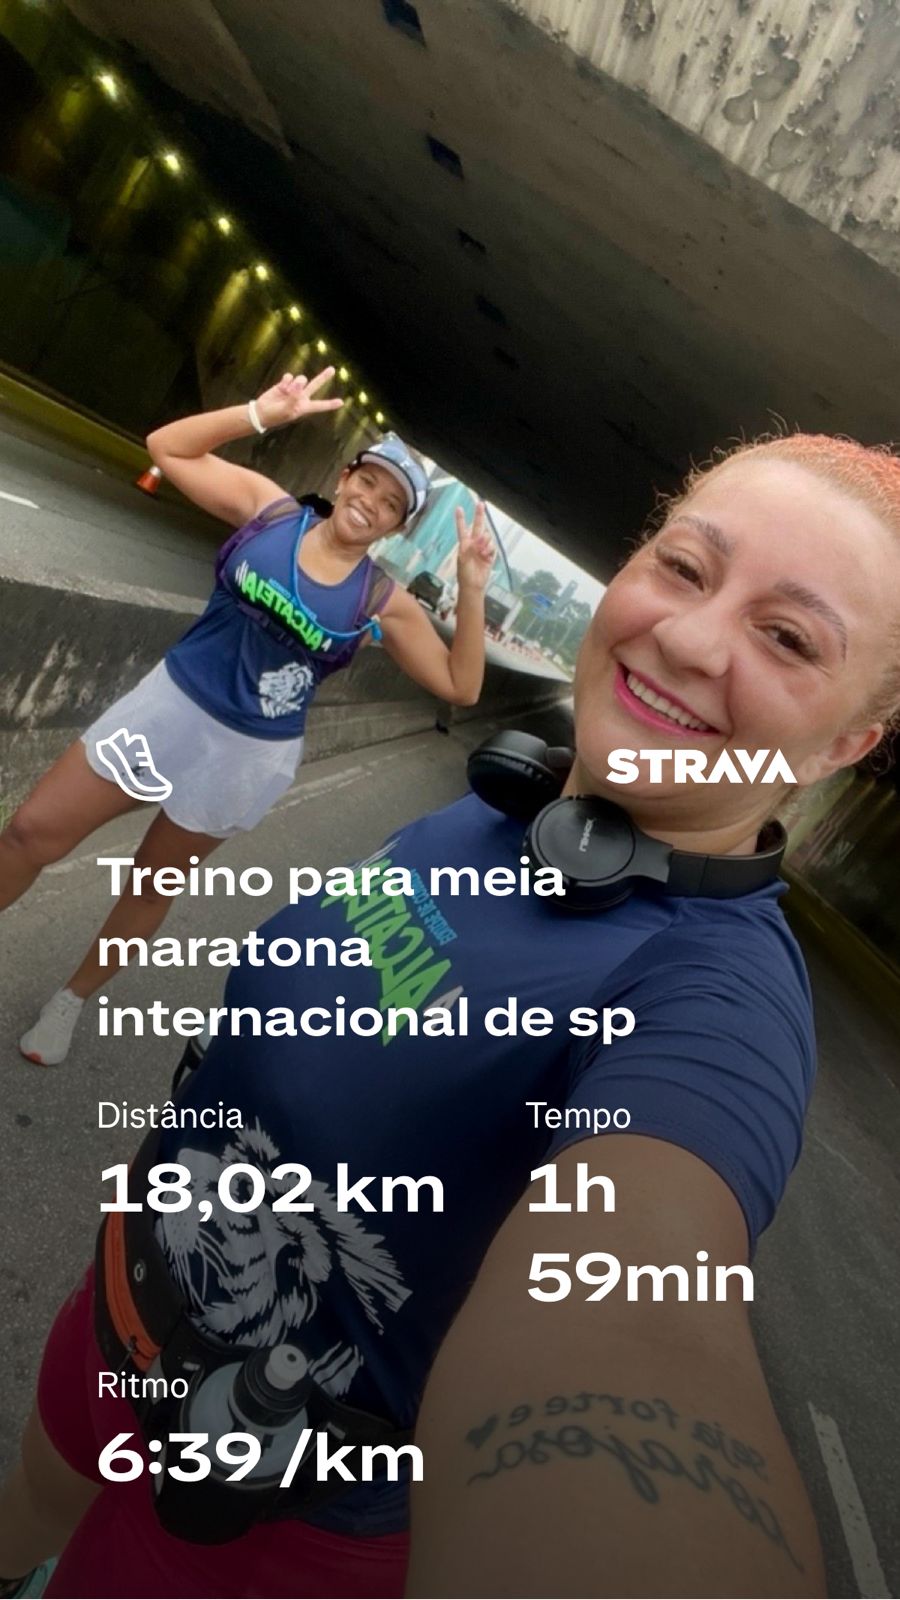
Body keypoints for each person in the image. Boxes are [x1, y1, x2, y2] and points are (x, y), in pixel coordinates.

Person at [2, 430, 897, 1600]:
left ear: (847, 743)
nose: (689, 638)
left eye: (788, 637)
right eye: (684, 567)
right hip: (115, 1314)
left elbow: (636, 1307)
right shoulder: (494, 811)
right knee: (26, 1514)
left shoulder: (713, 998)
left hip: (260, 1512)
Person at [0, 368, 496, 1066]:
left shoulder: (380, 599)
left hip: (244, 756)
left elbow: (461, 685)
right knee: (30, 831)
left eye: (391, 504)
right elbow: (167, 448)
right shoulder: (271, 514)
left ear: (397, 526)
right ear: (346, 477)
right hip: (167, 709)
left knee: (151, 884)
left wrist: (471, 589)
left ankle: (71, 1000)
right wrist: (259, 415)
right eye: (368, 483)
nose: (371, 503)